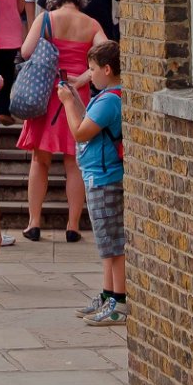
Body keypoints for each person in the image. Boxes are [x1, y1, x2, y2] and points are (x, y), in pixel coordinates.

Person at [16, 0, 107, 243]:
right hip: (76, 96)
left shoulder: (45, 19)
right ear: (80, 1)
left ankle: (33, 223)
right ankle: (73, 225)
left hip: (46, 94)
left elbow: (26, 50)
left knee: (39, 160)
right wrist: (85, 77)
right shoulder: (91, 24)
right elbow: (108, 55)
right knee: (74, 164)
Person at [56, 41, 126, 324]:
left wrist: (67, 102)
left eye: (93, 69)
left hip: (105, 178)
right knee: (106, 243)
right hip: (98, 175)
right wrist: (76, 100)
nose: (89, 74)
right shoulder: (107, 96)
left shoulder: (110, 100)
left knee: (113, 244)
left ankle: (119, 303)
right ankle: (109, 294)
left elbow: (80, 132)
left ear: (107, 70)